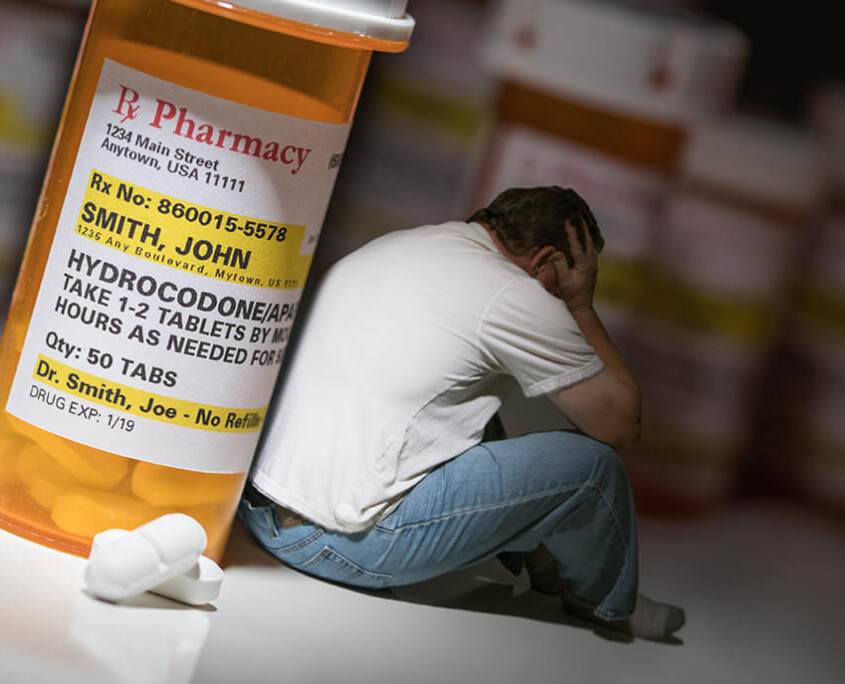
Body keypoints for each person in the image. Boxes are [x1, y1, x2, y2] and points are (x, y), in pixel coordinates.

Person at [239, 186, 684, 640]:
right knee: (593, 469)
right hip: (335, 542)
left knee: (471, 413)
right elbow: (620, 424)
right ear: (547, 261)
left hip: (258, 508)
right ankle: (601, 602)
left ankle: (548, 567)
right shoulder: (512, 292)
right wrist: (581, 305)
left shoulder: (399, 244)